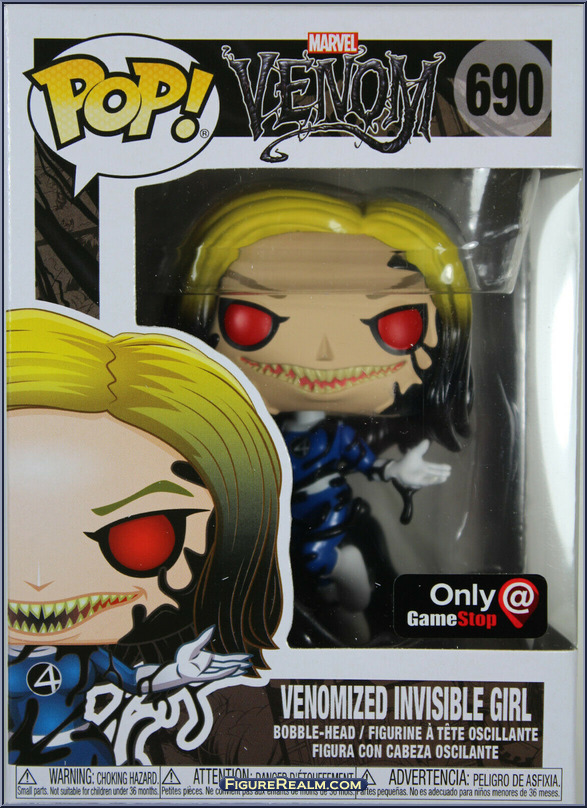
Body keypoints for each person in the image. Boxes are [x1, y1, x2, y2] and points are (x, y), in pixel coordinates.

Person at [177, 188, 472, 645]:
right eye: (254, 320)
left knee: (335, 585)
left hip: (325, 520)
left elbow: (367, 464)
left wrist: (397, 471)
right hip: (268, 531)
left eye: (393, 325)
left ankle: (346, 616)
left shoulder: (334, 438)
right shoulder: (258, 438)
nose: (324, 353)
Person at [7, 308, 283, 764]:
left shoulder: (91, 661)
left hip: (80, 755)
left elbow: (137, 681)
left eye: (138, 537)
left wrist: (183, 672)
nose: (40, 583)